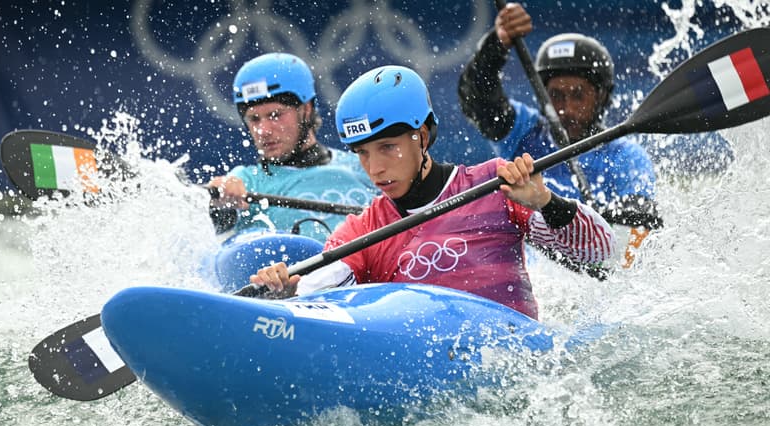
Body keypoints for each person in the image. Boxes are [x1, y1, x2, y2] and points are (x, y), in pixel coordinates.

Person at [248, 65, 615, 320]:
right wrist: (287, 295)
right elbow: (318, 290)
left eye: (387, 147)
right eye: (362, 153)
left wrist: (547, 203)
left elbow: (603, 252)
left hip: (518, 372)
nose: (374, 168)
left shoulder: (496, 185)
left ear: (421, 136)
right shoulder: (364, 229)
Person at [457, 3, 662, 232]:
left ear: (602, 97)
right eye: (556, 95)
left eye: (578, 96)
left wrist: (599, 228)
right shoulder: (523, 131)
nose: (567, 109)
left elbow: (637, 232)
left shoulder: (627, 156)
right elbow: (478, 100)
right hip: (530, 266)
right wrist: (496, 46)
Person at [208, 53, 376, 240]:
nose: (263, 130)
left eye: (275, 115)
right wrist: (220, 203)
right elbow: (219, 227)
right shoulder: (245, 182)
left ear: (306, 110)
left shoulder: (366, 167)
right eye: (254, 119)